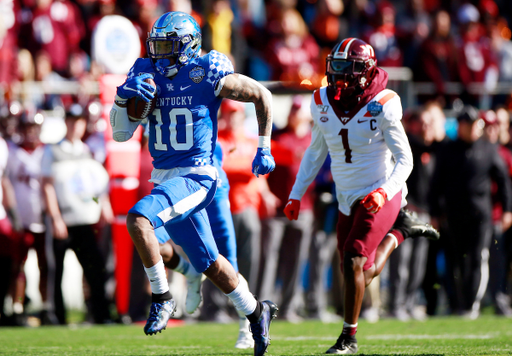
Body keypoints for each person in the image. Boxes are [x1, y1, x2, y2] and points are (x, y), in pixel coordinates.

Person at [109, 12, 277, 356]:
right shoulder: (146, 72)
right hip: (166, 177)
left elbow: (262, 94)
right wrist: (123, 99)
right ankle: (258, 311)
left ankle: (162, 297)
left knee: (139, 219)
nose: (158, 54)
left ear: (187, 46)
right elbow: (121, 133)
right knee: (211, 264)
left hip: (198, 174)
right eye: (155, 45)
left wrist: (263, 147)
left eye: (166, 46)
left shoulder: (206, 71)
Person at [282, 38, 436, 354]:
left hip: (382, 190)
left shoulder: (384, 102)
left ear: (365, 72)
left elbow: (405, 159)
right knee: (359, 271)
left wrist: (384, 191)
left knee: (354, 257)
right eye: (334, 68)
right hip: (346, 195)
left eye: (346, 69)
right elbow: (314, 152)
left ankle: (348, 338)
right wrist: (296, 194)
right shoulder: (321, 100)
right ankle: (401, 232)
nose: (338, 76)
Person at [158, 141, 255, 349]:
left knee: (230, 268)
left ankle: (246, 323)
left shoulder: (209, 133)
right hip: (176, 190)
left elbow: (223, 155)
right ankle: (190, 272)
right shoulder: (165, 119)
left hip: (212, 191)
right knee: (151, 241)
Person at [429, 105, 512, 319]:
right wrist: (435, 213)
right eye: (468, 124)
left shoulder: (488, 149)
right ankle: (456, 303)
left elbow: (503, 182)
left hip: (480, 216)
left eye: (475, 124)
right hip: (454, 215)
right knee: (457, 260)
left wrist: (507, 210)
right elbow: (436, 183)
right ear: (460, 126)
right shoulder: (448, 150)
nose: (472, 128)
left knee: (476, 258)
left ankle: (470, 305)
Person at [42, 103, 113, 325]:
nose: (76, 126)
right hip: (63, 219)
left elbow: (92, 186)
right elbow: (48, 186)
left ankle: (100, 314)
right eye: (72, 121)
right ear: (66, 123)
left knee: (95, 269)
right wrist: (55, 218)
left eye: (79, 121)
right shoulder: (52, 150)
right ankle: (57, 316)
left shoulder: (86, 151)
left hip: (84, 220)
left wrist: (102, 204)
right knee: (57, 272)